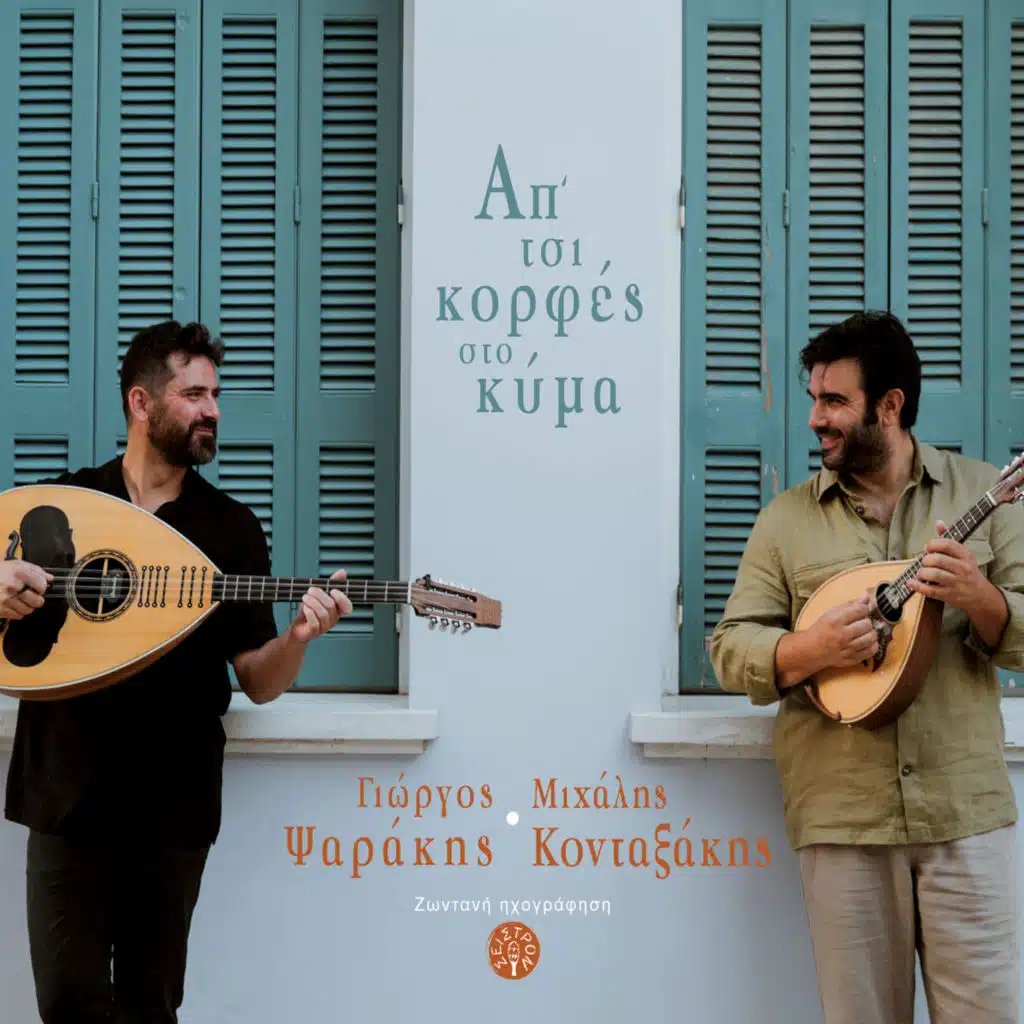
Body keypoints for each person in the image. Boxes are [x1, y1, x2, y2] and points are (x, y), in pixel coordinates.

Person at [0, 320, 353, 1023]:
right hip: (66, 790)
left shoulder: (231, 528)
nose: (212, 410)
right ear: (141, 402)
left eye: (215, 395)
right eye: (194, 395)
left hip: (171, 800)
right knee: (66, 1002)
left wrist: (299, 638)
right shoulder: (64, 504)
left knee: (150, 1005)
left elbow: (258, 680)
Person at [710, 311, 1023, 1024]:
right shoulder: (785, 521)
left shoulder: (983, 494)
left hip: (964, 814)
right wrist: (812, 649)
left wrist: (980, 598)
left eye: (834, 401)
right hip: (843, 818)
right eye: (814, 399)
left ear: (890, 405)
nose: (815, 419)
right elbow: (731, 647)